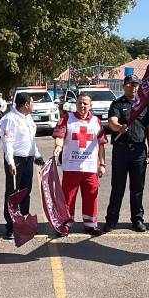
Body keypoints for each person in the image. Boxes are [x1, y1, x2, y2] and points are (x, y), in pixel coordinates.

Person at [104, 75, 149, 232]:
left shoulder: (144, 105)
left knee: (137, 188)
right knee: (117, 187)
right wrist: (119, 127)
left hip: (139, 151)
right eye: (130, 85)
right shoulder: (117, 104)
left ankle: (137, 220)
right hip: (121, 150)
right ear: (124, 86)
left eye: (136, 85)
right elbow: (112, 122)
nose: (133, 87)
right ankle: (111, 220)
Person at [52, 92, 106, 234]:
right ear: (75, 104)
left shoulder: (96, 121)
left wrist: (102, 164)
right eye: (79, 103)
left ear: (90, 105)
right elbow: (59, 136)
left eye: (85, 103)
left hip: (90, 168)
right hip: (71, 167)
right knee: (67, 199)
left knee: (91, 197)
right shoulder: (67, 118)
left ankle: (91, 225)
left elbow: (101, 144)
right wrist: (58, 146)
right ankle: (65, 225)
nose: (82, 105)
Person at [0, 93, 43, 240]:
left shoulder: (27, 117)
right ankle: (11, 227)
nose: (33, 105)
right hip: (16, 160)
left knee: (25, 192)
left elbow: (30, 140)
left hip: (28, 159)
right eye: (32, 102)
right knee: (12, 194)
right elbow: (7, 142)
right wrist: (10, 162)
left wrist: (37, 155)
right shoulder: (9, 119)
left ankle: (23, 224)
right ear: (26, 105)